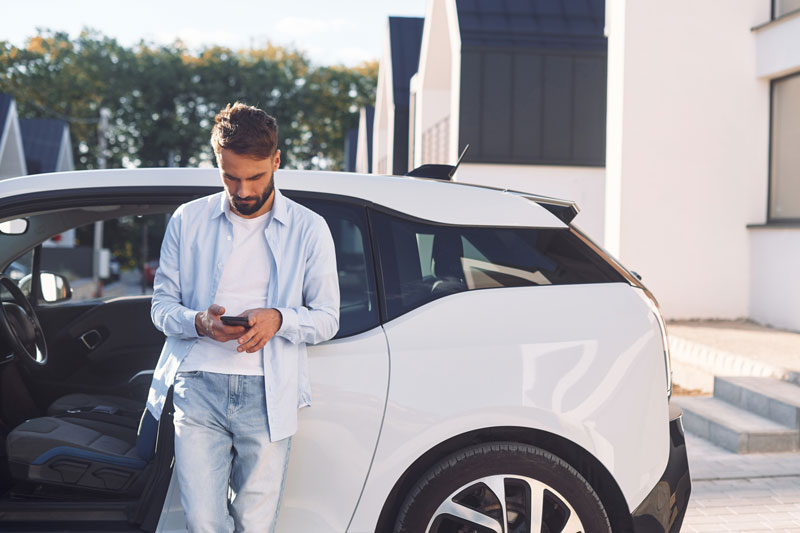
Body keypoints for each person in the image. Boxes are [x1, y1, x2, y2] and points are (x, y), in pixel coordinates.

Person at [145, 102, 340, 532]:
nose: (244, 190)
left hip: (270, 392)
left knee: (254, 525)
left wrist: (279, 319)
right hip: (197, 386)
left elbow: (327, 318)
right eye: (231, 176)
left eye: (256, 177)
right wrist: (200, 322)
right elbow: (161, 307)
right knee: (202, 523)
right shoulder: (187, 220)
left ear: (276, 161)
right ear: (217, 162)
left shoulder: (310, 229)